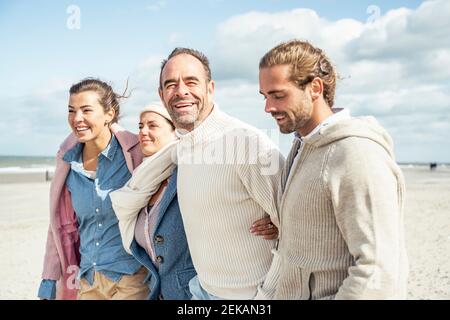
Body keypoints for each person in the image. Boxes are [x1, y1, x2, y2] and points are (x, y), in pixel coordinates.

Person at [111, 47, 284, 300]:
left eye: (191, 81)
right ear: (161, 95)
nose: (181, 91)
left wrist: (266, 295)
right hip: (201, 292)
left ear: (210, 88)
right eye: (171, 84)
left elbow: (296, 230)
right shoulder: (183, 148)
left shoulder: (247, 144)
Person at [257, 39, 409, 300]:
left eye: (278, 95)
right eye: (265, 96)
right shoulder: (301, 148)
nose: (268, 107)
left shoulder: (357, 154)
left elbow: (378, 273)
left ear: (315, 87)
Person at [38, 78, 149, 300]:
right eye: (72, 111)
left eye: (86, 110)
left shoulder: (135, 154)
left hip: (131, 277)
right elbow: (58, 226)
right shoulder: (67, 162)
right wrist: (49, 280)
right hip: (87, 280)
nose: (77, 119)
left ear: (109, 114)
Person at [118, 103, 196, 299]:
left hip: (192, 294)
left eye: (152, 125)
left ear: (174, 131)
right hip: (156, 292)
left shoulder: (188, 173)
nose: (143, 132)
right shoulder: (140, 182)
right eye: (140, 126)